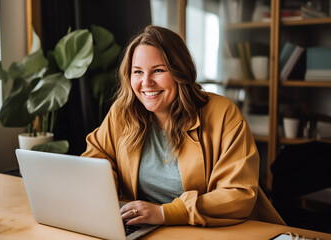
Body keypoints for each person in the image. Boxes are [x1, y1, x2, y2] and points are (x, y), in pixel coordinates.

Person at [81, 25, 284, 227]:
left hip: (210, 231)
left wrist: (165, 213)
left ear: (181, 71)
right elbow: (96, 159)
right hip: (143, 229)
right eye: (137, 72)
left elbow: (238, 195)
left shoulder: (225, 114)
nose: (146, 82)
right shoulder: (122, 112)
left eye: (158, 70)